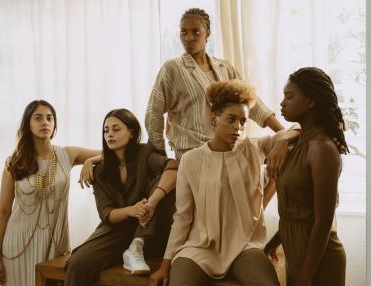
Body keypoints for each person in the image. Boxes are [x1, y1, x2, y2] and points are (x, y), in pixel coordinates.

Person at [150, 79, 300, 286]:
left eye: (242, 121)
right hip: (200, 247)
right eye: (231, 119)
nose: (237, 127)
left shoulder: (255, 149)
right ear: (214, 118)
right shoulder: (191, 160)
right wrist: (165, 265)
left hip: (245, 246)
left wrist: (282, 140)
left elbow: (299, 128)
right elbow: (183, 217)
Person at [145, 8, 284, 160]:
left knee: (270, 149)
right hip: (192, 153)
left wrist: (282, 131)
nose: (189, 38)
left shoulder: (223, 68)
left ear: (208, 33)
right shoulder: (173, 68)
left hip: (227, 148)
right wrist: (160, 155)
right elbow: (154, 113)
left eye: (196, 32)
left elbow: (251, 102)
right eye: (183, 32)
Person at [0, 100, 101, 286]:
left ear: (55, 124)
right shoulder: (14, 163)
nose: (45, 122)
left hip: (55, 246)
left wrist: (91, 161)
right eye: (38, 118)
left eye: (50, 118)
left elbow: (112, 152)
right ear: (28, 123)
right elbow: (3, 211)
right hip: (17, 246)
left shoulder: (68, 154)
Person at [65, 109, 178, 286]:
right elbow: (107, 214)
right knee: (78, 263)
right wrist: (131, 210)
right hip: (116, 230)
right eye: (106, 130)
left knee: (165, 182)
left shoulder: (145, 153)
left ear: (131, 132)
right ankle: (129, 250)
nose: (109, 134)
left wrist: (151, 203)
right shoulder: (100, 171)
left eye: (116, 129)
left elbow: (173, 167)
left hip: (149, 229)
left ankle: (136, 245)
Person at [264, 67, 347, 286]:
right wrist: (274, 241)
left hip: (318, 261)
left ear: (311, 101)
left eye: (289, 97)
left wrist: (305, 277)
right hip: (297, 254)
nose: (282, 103)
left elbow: (322, 220)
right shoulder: (299, 143)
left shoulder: (322, 149)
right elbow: (298, 207)